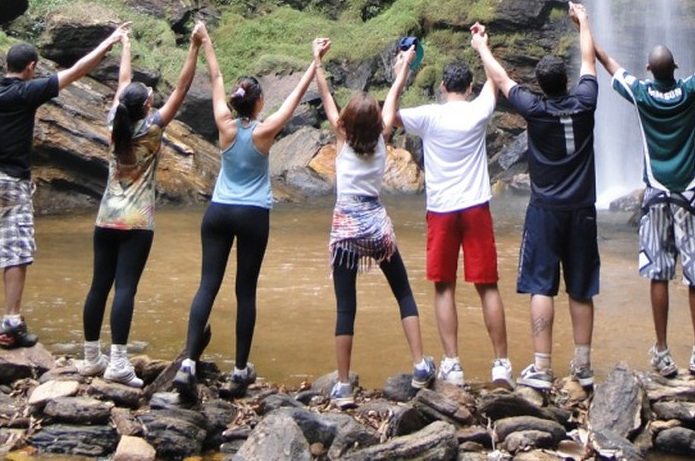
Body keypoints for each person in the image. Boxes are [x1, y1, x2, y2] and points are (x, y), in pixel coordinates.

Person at [0, 23, 127, 348]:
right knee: (16, 251)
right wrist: (110, 41)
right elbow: (78, 71)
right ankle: (11, 320)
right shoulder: (28, 91)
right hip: (11, 181)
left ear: (5, 65)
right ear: (31, 67)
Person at [173, 29, 332, 398]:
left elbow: (215, 78)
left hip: (218, 211)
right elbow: (293, 100)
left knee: (207, 285)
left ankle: (187, 364)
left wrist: (206, 42)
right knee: (245, 291)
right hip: (252, 214)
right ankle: (240, 370)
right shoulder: (265, 131)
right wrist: (314, 62)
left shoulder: (224, 125)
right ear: (259, 103)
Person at [593, 16, 695, 379]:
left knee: (659, 274)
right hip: (689, 194)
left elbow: (609, 65)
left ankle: (662, 352)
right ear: (675, 68)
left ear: (648, 70)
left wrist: (585, 27)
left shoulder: (640, 94)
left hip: (655, 195)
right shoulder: (689, 91)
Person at [469, 5, 598, 392]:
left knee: (542, 286)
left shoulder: (535, 110)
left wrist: (481, 46)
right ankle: (584, 364)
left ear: (542, 86)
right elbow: (590, 61)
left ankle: (542, 367)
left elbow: (502, 79)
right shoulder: (586, 101)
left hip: (546, 210)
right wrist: (584, 23)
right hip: (583, 210)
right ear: (567, 82)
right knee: (581, 287)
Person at [79, 20, 207, 386]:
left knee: (98, 285)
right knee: (126, 289)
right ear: (149, 104)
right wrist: (194, 48)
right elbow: (182, 88)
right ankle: (118, 362)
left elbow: (124, 85)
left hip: (106, 217)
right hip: (136, 222)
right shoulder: (152, 126)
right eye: (150, 93)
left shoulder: (115, 122)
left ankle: (90, 358)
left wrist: (124, 44)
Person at [314, 44, 435, 406]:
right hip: (377, 229)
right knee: (404, 294)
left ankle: (342, 385)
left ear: (345, 125)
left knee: (345, 307)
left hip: (346, 232)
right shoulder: (383, 139)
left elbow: (324, 95)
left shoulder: (341, 140)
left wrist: (317, 61)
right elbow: (396, 88)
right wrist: (405, 65)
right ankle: (419, 366)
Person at [394, 43, 512, 388]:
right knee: (487, 286)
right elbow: (497, 77)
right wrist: (482, 45)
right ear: (470, 88)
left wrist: (403, 69)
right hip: (476, 206)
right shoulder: (480, 110)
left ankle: (453, 364)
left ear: (443, 88)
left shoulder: (429, 115)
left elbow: (391, 114)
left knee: (444, 288)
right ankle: (501, 365)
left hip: (442, 210)